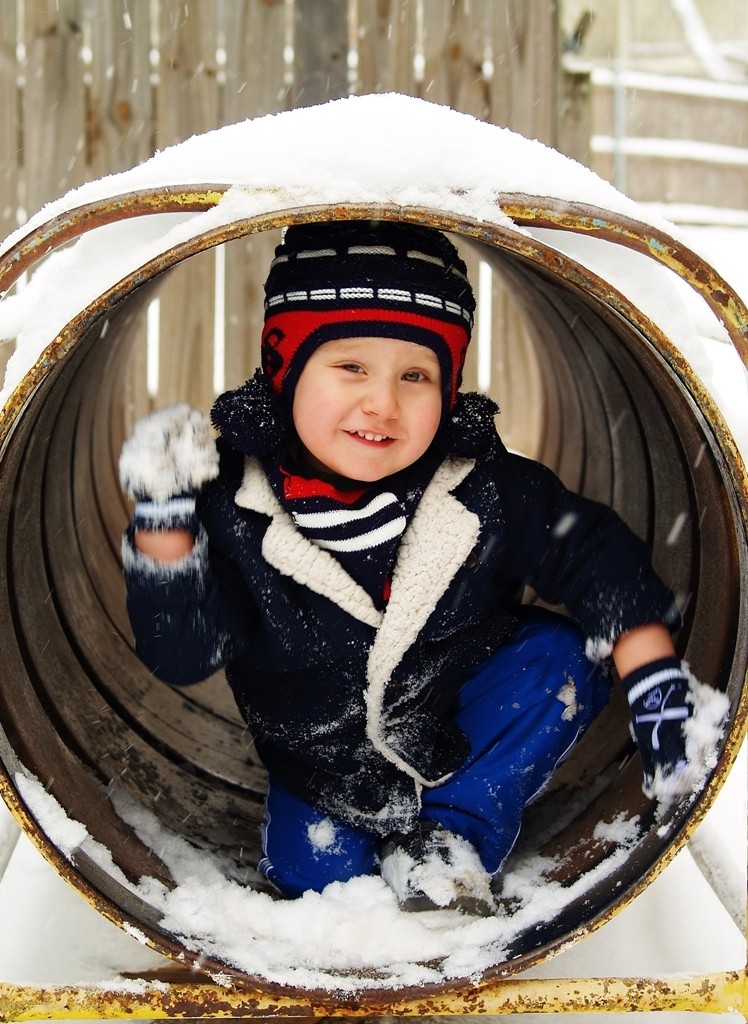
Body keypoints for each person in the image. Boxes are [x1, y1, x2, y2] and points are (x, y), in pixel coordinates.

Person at [120, 219, 724, 916]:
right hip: (322, 769)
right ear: (285, 371)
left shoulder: (484, 488)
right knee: (322, 890)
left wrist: (653, 680)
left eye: (417, 374)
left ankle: (451, 837)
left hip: (461, 725)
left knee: (556, 661)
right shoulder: (232, 506)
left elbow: (595, 556)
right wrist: (165, 527)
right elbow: (185, 652)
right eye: (350, 367)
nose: (384, 402)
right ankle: (347, 872)